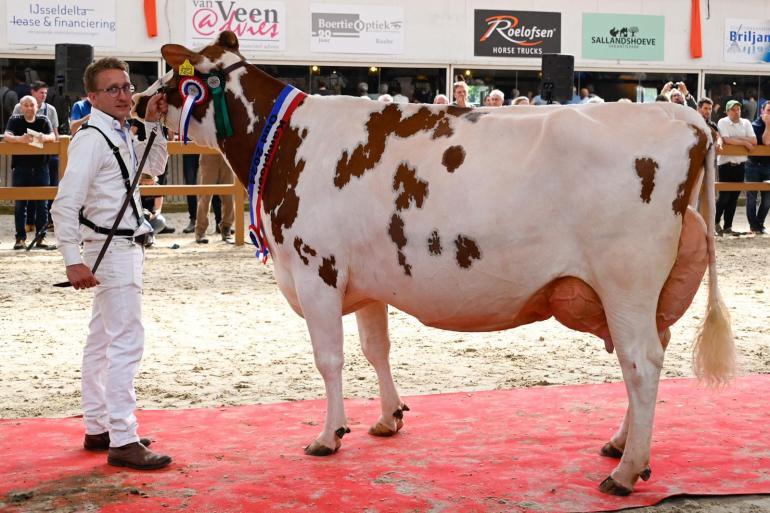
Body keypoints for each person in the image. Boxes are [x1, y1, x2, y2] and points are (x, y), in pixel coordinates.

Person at [50, 57, 172, 470]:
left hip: (121, 247)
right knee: (125, 343)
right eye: (113, 89)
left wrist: (154, 125)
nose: (124, 95)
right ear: (93, 97)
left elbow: (151, 169)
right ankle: (123, 438)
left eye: (126, 87)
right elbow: (64, 204)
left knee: (102, 341)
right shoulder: (91, 139)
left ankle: (100, 426)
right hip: (111, 249)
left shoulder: (119, 132)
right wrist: (71, 261)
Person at [4, 95, 56, 250]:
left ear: (37, 107)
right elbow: (7, 136)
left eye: (31, 105)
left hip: (41, 167)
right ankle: (20, 238)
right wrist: (20, 139)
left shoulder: (43, 120)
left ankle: (41, 238)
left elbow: (52, 136)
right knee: (20, 204)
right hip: (21, 167)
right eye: (25, 105)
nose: (28, 108)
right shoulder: (15, 119)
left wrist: (42, 137)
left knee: (43, 204)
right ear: (21, 107)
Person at [13, 81, 60, 229]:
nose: (44, 96)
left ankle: (46, 225)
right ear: (32, 92)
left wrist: (51, 146)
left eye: (46, 93)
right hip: (24, 158)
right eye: (41, 93)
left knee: (46, 192)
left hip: (45, 157)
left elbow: (55, 133)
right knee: (24, 195)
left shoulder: (50, 111)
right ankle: (28, 224)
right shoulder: (19, 108)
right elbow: (15, 131)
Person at [716, 99, 755, 236]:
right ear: (727, 111)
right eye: (733, 109)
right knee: (724, 197)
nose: (736, 111)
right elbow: (726, 140)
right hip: (726, 164)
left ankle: (728, 226)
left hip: (740, 164)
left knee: (734, 198)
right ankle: (714, 223)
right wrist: (744, 141)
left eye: (738, 109)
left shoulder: (746, 122)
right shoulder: (722, 121)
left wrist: (738, 140)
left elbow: (754, 141)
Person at [195, 153, 235, 244]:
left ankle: (226, 228)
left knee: (229, 195)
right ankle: (200, 231)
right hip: (209, 153)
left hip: (226, 153)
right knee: (205, 195)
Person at [746, 101, 770, 235]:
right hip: (753, 166)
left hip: (768, 166)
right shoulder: (755, 125)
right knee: (752, 199)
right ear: (762, 111)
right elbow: (766, 142)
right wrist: (768, 125)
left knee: (767, 200)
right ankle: (754, 226)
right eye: (768, 110)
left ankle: (760, 224)